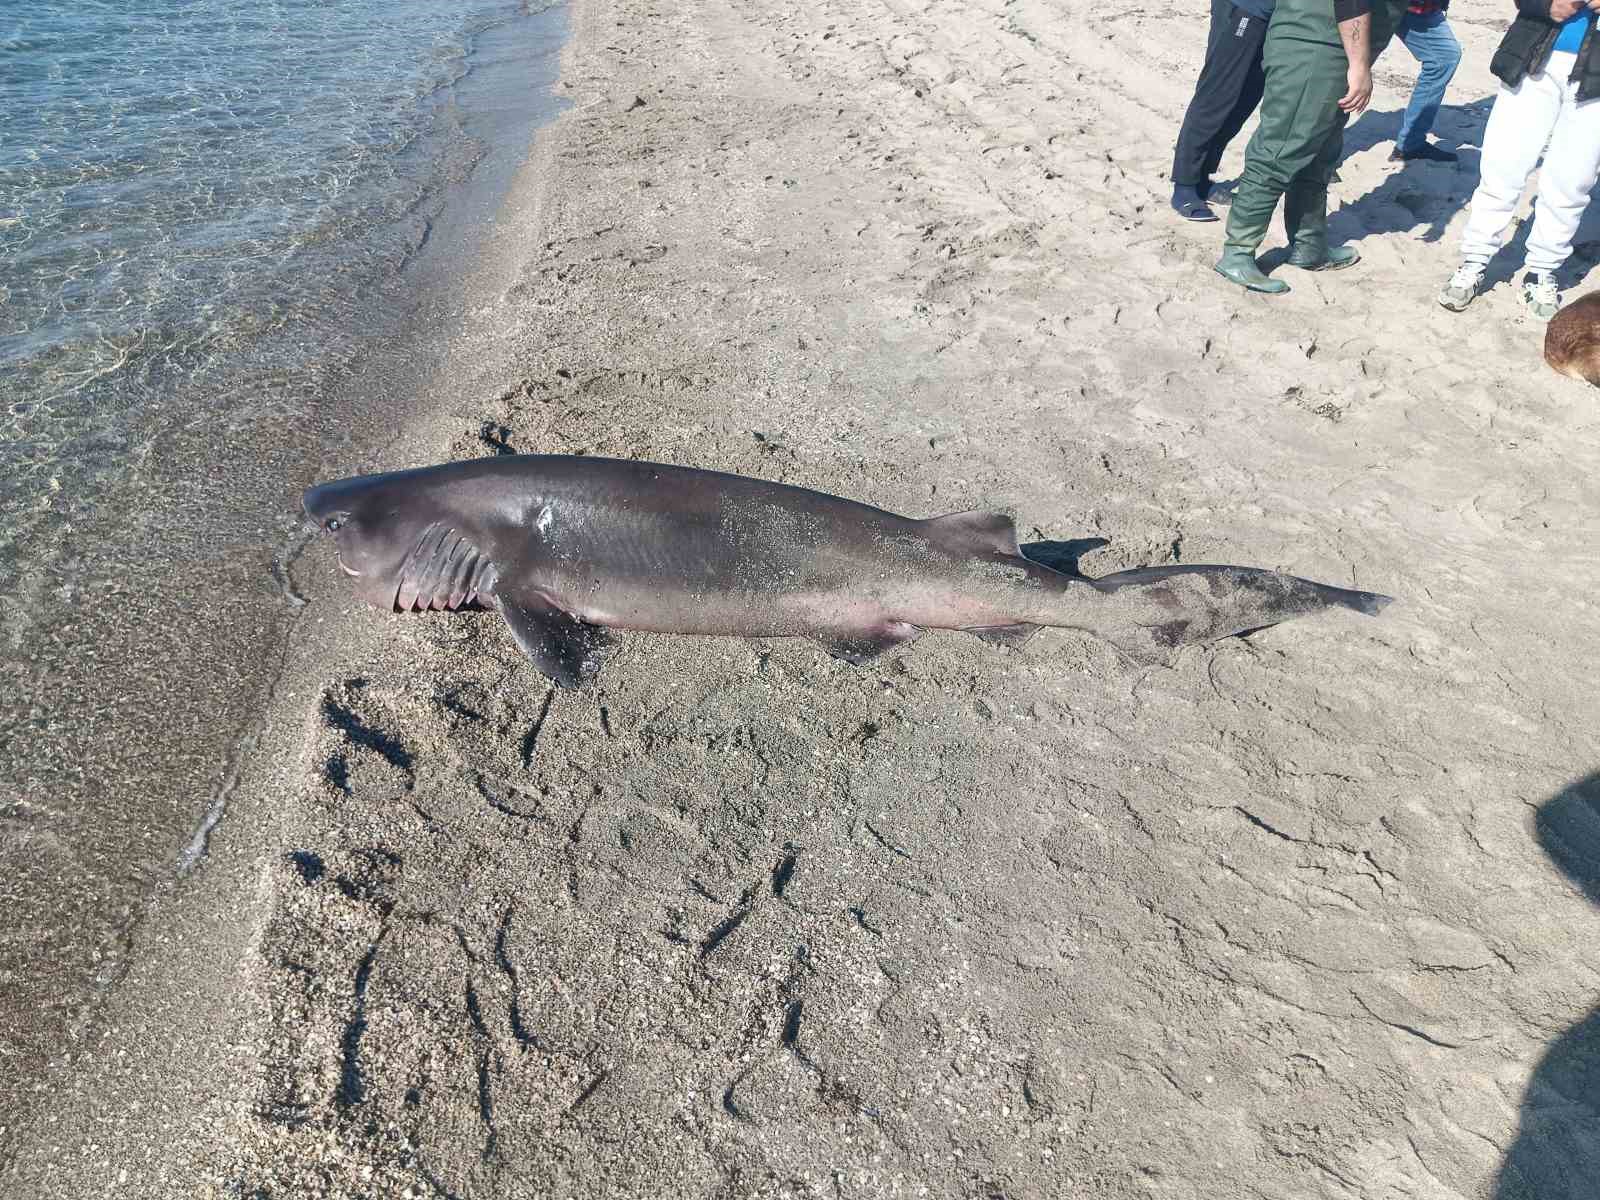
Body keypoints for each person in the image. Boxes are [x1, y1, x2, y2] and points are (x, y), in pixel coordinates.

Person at [1438, 0, 1600, 321]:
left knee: (1573, 178)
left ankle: (1541, 270)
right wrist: (1546, 6)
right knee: (1503, 164)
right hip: (1534, 56)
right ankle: (1475, 259)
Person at [1214, 0, 1374, 293]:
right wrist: (1360, 65)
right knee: (1280, 149)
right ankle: (1237, 253)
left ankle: (1308, 245)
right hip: (1313, 46)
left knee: (1319, 152)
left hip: (1334, 47)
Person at [1171, 0, 1276, 221]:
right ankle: (1185, 185)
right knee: (1216, 96)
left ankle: (1201, 179)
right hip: (1245, 9)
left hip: (1277, 17)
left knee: (1245, 101)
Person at [1389, 0, 1463, 161]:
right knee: (1342, 63)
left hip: (1422, 7)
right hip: (1373, 6)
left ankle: (1411, 143)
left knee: (1444, 57)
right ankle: (1319, 153)